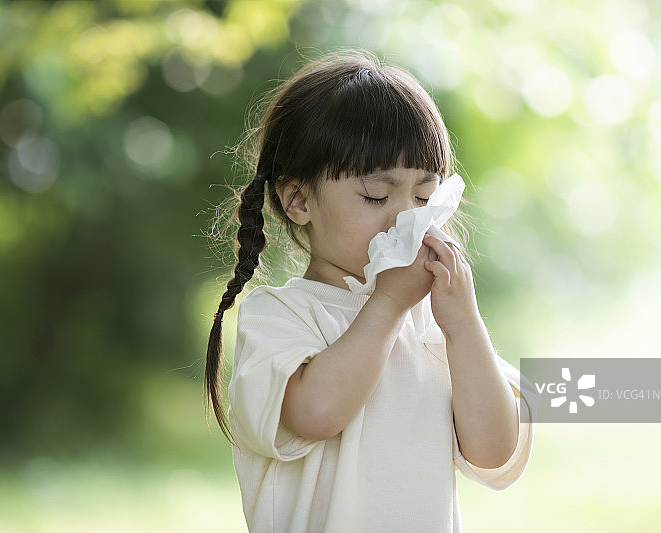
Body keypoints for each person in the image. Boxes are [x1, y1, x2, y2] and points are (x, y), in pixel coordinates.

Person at [205, 50, 537, 533]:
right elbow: (315, 413)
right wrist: (386, 303)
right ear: (298, 199)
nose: (407, 217)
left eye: (424, 197)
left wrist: (465, 325)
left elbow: (493, 452)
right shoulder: (280, 316)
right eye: (376, 196)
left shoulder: (433, 325)